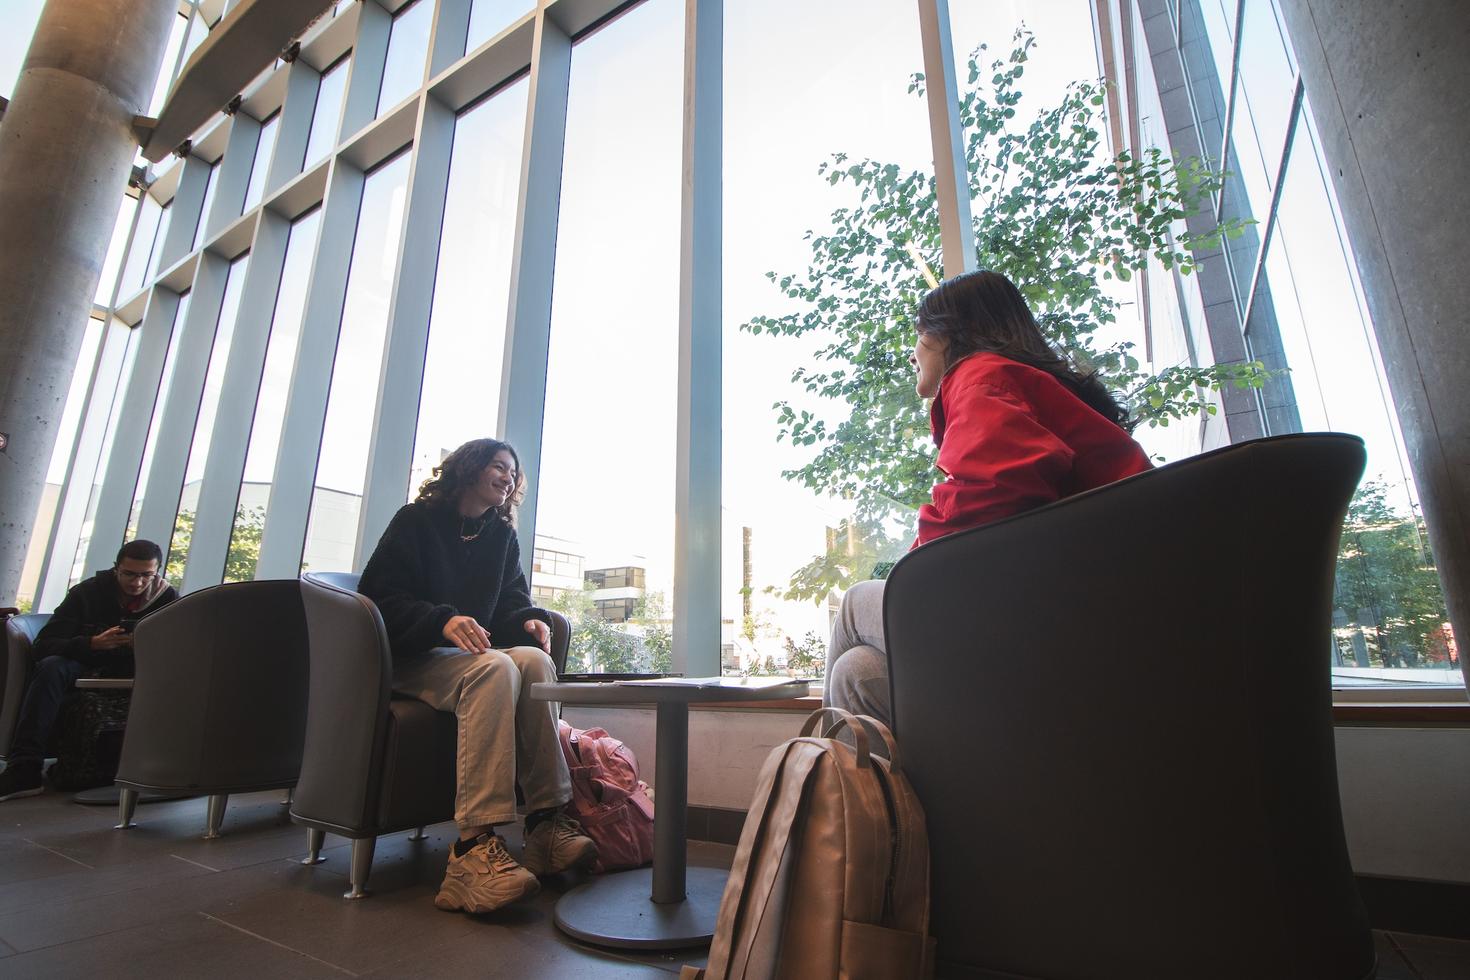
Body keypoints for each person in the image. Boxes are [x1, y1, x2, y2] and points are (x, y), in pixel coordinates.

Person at [825, 270, 1153, 725]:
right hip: (1090, 620)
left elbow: (985, 505)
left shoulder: (983, 378)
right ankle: (858, 796)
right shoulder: (1023, 386)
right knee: (856, 673)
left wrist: (913, 564)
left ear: (948, 335)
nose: (914, 352)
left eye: (919, 334)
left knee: (852, 604)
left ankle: (813, 784)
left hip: (1051, 628)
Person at [358, 437, 597, 914]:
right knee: (494, 667)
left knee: (533, 660)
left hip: (467, 657)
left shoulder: (500, 537)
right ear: (467, 469)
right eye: (498, 466)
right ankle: (472, 851)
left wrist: (528, 620)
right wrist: (439, 620)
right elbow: (377, 596)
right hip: (414, 656)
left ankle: (546, 825)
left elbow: (508, 602)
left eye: (513, 473)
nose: (508, 478)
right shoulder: (416, 522)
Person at [0, 539, 178, 801]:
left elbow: (177, 649)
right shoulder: (87, 593)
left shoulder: (168, 599)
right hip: (85, 662)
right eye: (129, 574)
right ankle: (24, 768)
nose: (137, 583)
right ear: (116, 568)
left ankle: (167, 766)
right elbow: (44, 645)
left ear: (157, 571)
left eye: (146, 575)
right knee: (51, 667)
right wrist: (92, 643)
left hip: (137, 670)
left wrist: (144, 645)